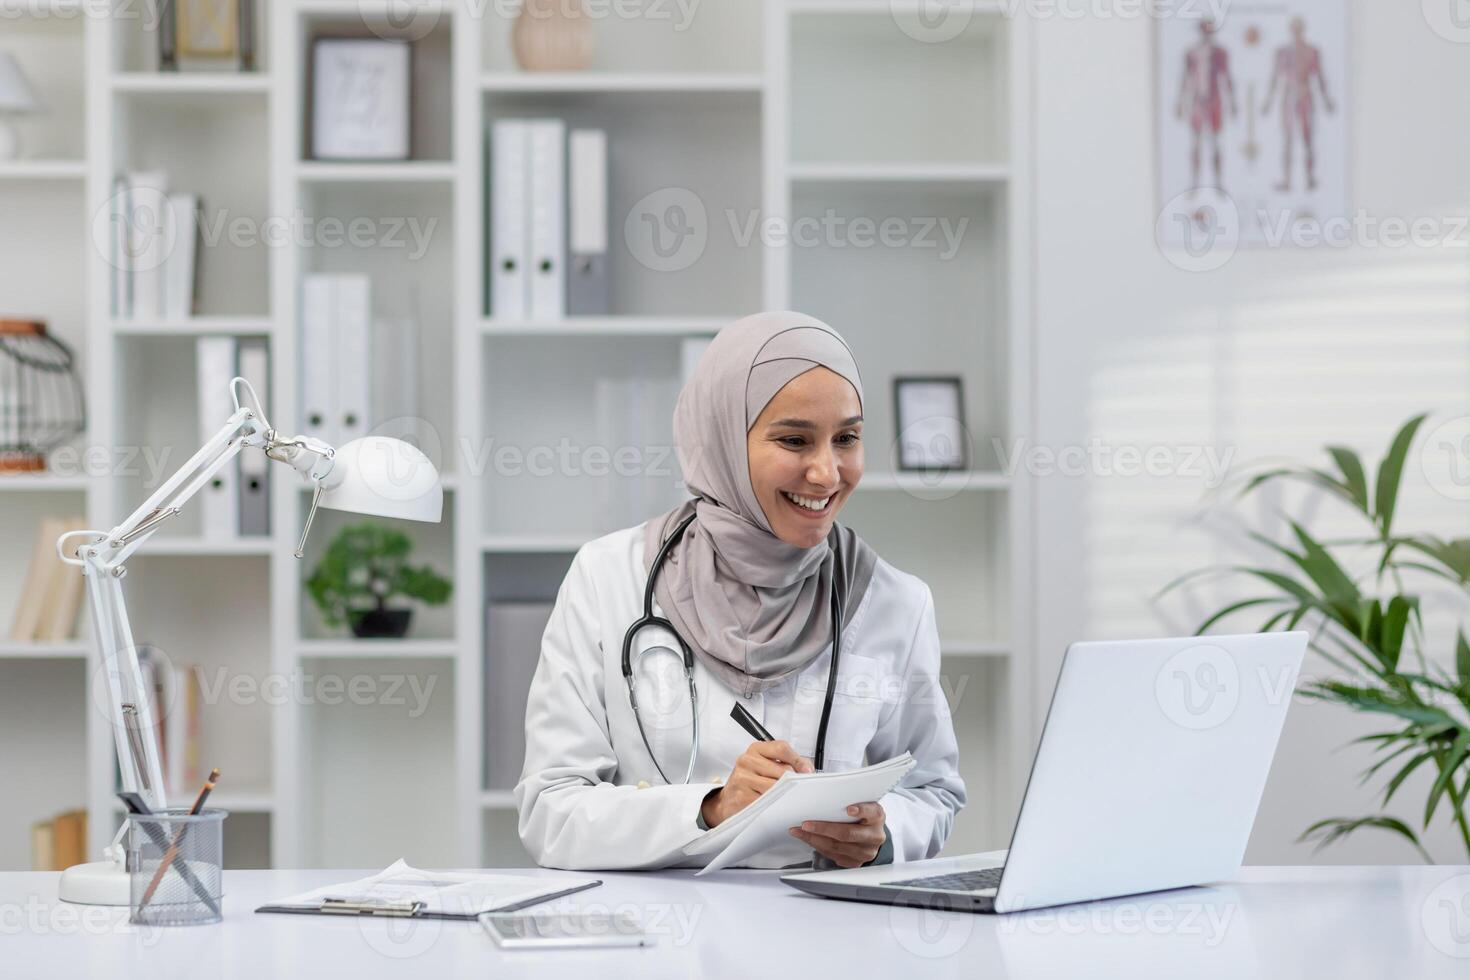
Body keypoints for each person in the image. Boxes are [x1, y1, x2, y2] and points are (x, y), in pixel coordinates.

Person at [515, 311, 966, 871]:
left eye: (846, 438)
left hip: (832, 939)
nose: (827, 473)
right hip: (658, 941)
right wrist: (709, 809)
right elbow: (549, 810)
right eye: (795, 440)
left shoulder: (894, 602)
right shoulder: (608, 578)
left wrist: (885, 834)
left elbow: (934, 794)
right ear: (722, 439)